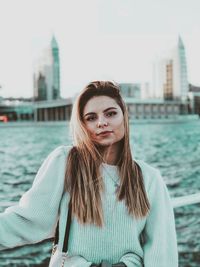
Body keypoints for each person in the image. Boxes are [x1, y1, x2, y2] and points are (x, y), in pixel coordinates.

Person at [0, 81, 178, 267]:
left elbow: (161, 251)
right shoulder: (65, 161)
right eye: (91, 117)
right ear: (82, 125)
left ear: (124, 116)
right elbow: (29, 221)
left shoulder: (149, 178)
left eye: (111, 113)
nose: (102, 122)